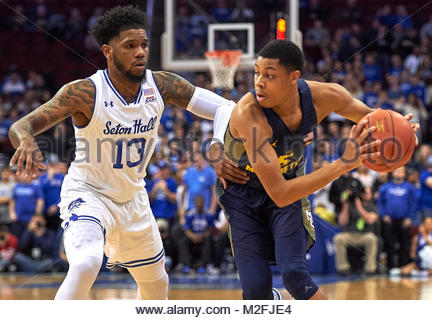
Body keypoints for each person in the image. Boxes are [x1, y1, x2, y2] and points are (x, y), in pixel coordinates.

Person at [8, 6, 234, 300]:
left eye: (143, 45)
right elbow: (20, 125)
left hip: (133, 199)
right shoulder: (85, 92)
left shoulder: (162, 85)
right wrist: (25, 139)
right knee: (87, 263)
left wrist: (217, 142)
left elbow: (225, 107)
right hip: (89, 194)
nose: (140, 52)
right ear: (108, 51)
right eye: (130, 46)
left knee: (157, 286)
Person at [208, 39, 417, 300]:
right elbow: (279, 193)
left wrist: (402, 128)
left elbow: (372, 119)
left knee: (296, 277)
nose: (259, 81)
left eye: (269, 75)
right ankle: (269, 298)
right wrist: (344, 164)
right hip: (243, 196)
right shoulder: (249, 116)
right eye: (257, 73)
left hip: (288, 188)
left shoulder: (326, 96)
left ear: (294, 77)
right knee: (255, 292)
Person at [334, 186, 379, 275]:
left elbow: (370, 220)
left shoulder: (373, 207)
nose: (365, 195)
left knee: (372, 239)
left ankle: (370, 269)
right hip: (351, 234)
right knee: (338, 238)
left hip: (365, 235)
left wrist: (359, 207)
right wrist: (345, 206)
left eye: (367, 193)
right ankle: (343, 268)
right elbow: (342, 222)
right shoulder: (351, 205)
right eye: (363, 193)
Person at [378, 166, 416, 269]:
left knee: (404, 244)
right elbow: (380, 203)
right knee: (390, 244)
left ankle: (403, 266)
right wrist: (384, 214)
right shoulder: (385, 187)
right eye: (397, 171)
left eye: (401, 171)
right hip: (389, 220)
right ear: (392, 173)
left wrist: (409, 217)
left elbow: (413, 203)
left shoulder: (409, 187)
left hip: (404, 220)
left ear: (404, 174)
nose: (398, 173)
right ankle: (390, 267)